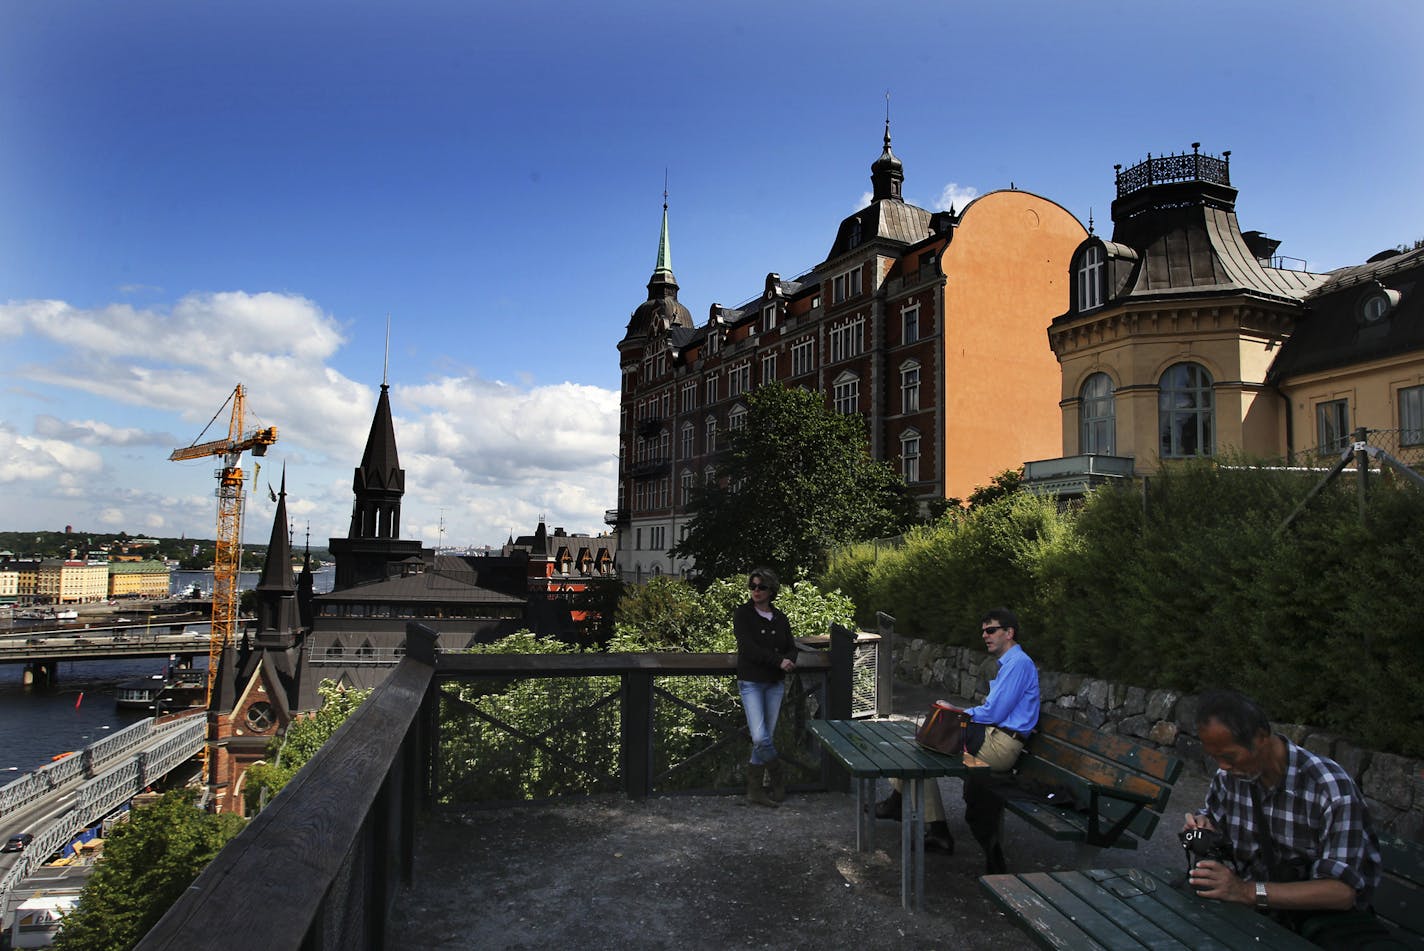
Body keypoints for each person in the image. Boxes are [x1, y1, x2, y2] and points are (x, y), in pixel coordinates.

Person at [1184, 689, 1401, 948]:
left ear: (1261, 737)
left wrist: (1246, 891)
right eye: (1215, 757)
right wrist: (1202, 827)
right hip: (1253, 919)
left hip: (1318, 925)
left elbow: (1340, 893)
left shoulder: (1329, 788)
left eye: (1228, 756)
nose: (1222, 767)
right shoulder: (1229, 778)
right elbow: (1213, 820)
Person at [876, 608, 1040, 870]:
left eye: (991, 630)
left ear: (1009, 633)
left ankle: (922, 819)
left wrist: (957, 712)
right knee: (921, 749)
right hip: (995, 739)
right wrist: (955, 713)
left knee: (924, 747)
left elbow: (994, 713)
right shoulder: (1010, 664)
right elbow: (992, 713)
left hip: (1000, 746)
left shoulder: (1018, 663)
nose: (985, 636)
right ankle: (932, 827)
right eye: (983, 631)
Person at [734, 567, 798, 808]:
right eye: (752, 587)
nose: (756, 591)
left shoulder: (781, 618)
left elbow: (791, 645)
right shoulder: (743, 614)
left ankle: (755, 790)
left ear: (771, 590)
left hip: (775, 683)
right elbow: (747, 648)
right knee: (760, 737)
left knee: (765, 737)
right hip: (751, 681)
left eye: (761, 587)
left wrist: (791, 659)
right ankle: (778, 776)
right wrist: (778, 660)